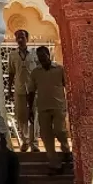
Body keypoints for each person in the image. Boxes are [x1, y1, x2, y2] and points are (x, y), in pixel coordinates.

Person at [32, 45, 71, 174]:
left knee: (59, 130)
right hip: (43, 107)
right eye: (39, 57)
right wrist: (29, 108)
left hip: (58, 105)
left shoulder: (59, 69)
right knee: (46, 136)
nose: (42, 59)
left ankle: (65, 149)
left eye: (43, 56)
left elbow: (68, 86)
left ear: (48, 55)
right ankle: (54, 163)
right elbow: (31, 91)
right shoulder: (36, 72)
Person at [11, 29, 36, 152]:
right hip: (19, 89)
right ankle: (25, 141)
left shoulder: (34, 54)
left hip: (33, 90)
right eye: (18, 37)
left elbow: (38, 71)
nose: (20, 40)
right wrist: (10, 90)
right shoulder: (13, 55)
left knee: (34, 116)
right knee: (21, 116)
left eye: (22, 37)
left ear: (27, 38)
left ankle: (34, 143)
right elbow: (11, 73)